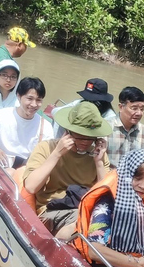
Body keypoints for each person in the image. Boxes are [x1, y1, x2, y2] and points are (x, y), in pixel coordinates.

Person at [23, 101, 111, 238]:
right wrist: (57, 154)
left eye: (90, 138)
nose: (85, 142)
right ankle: (55, 250)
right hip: (52, 210)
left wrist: (99, 163)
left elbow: (106, 196)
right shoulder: (47, 148)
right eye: (80, 136)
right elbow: (30, 187)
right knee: (82, 220)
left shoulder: (98, 155)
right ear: (68, 132)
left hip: (84, 206)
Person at [73, 149, 144, 267]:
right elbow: (94, 250)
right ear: (127, 175)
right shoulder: (108, 202)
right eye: (137, 178)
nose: (143, 186)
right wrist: (137, 264)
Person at [0, 77, 53, 172]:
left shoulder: (46, 126)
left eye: (39, 100)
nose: (34, 104)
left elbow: (47, 155)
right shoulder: (0, 115)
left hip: (27, 169)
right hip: (1, 166)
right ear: (18, 96)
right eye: (29, 99)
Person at [105, 87, 144, 169]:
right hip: (107, 178)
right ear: (121, 107)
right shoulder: (106, 128)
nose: (139, 113)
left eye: (142, 109)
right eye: (134, 108)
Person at [51, 78, 117, 138]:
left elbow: (103, 135)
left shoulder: (110, 117)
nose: (88, 103)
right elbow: (55, 112)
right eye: (86, 99)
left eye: (92, 100)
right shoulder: (80, 103)